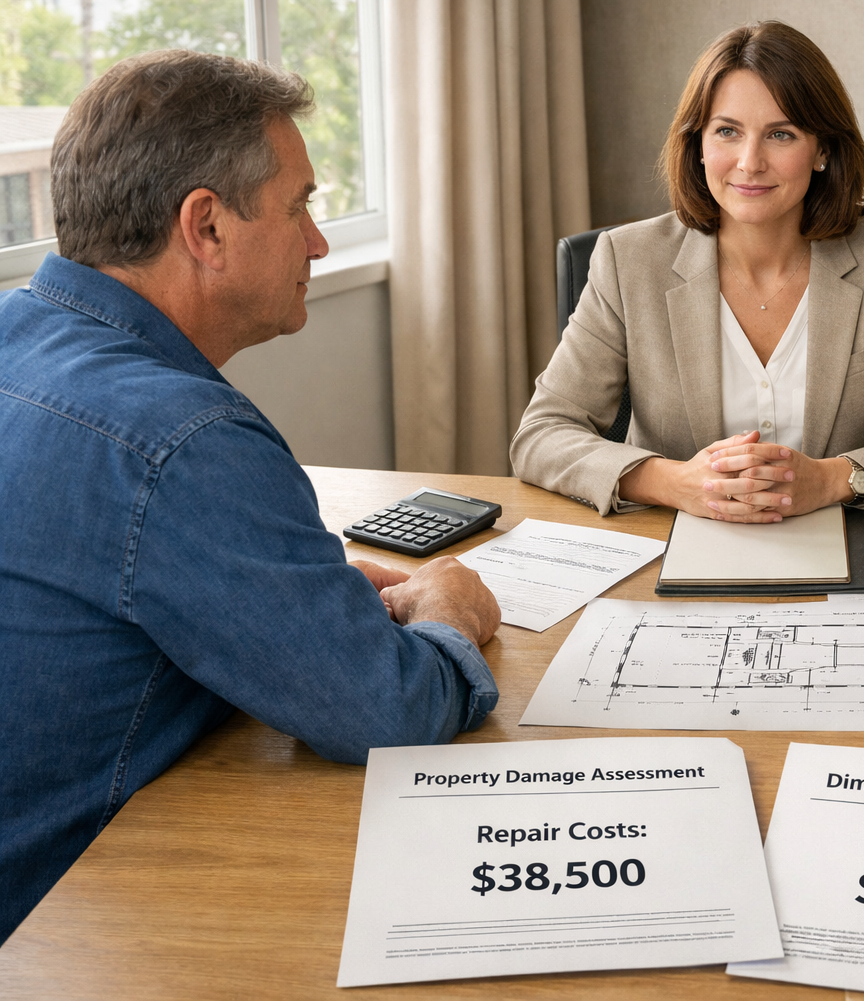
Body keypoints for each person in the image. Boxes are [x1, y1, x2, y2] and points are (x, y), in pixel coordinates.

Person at [0, 51, 502, 942]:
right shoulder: (185, 440)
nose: (319, 242)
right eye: (299, 206)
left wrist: (285, 597)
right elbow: (385, 713)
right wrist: (449, 608)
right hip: (58, 924)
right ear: (206, 227)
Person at [511, 21, 864, 520]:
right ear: (698, 144)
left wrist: (835, 480)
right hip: (671, 540)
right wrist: (674, 483)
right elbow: (542, 434)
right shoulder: (628, 261)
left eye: (780, 135)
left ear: (823, 150)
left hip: (844, 539)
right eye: (727, 131)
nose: (749, 162)